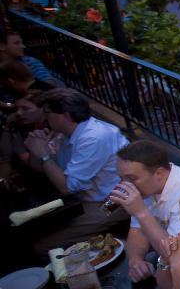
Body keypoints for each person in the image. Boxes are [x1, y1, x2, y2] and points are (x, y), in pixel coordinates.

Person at [22, 88, 129, 253]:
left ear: (65, 115)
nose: (44, 117)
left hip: (115, 200)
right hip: (85, 198)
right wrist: (38, 149)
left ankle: (95, 260)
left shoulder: (93, 137)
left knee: (43, 244)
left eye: (47, 112)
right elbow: (42, 169)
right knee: (35, 231)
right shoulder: (63, 134)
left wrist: (44, 156)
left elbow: (67, 187)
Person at [107, 140, 180, 283]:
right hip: (169, 269)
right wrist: (136, 260)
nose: (125, 185)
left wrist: (141, 212)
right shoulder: (147, 187)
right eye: (122, 179)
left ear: (159, 173)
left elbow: (175, 254)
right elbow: (137, 233)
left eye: (131, 178)